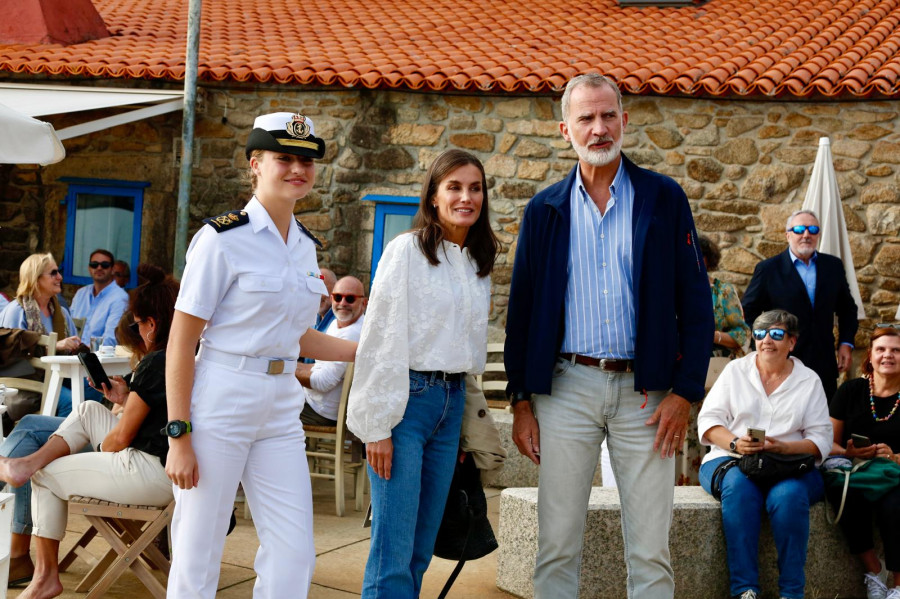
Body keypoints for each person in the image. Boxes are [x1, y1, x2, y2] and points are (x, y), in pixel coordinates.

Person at [503, 73, 713, 598]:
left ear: (625, 119)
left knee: (649, 549)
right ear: (565, 130)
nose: (598, 129)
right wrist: (521, 401)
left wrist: (685, 391)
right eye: (585, 119)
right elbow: (522, 311)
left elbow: (695, 302)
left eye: (607, 115)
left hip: (647, 395)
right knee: (556, 543)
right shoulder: (544, 209)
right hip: (566, 389)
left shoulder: (664, 198)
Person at [164, 112, 357, 599]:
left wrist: (370, 352)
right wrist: (178, 434)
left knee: (294, 549)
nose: (298, 169)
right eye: (284, 158)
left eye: (306, 161)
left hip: (279, 402)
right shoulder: (221, 239)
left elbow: (295, 338)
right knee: (199, 547)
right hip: (222, 396)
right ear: (255, 163)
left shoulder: (304, 247)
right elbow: (181, 342)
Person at [347, 148, 499, 599]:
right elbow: (379, 338)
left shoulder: (477, 261)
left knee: (421, 547)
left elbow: (467, 352)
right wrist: (376, 427)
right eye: (454, 187)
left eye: (475, 188)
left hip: (450, 407)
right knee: (392, 548)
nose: (465, 197)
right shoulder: (406, 251)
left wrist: (464, 428)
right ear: (433, 196)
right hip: (405, 403)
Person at [0, 263, 178, 599]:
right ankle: (25, 464)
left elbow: (120, 440)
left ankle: (44, 578)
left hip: (151, 472)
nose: (137, 332)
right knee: (87, 409)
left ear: (152, 324)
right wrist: (125, 397)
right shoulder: (180, 356)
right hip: (167, 464)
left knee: (45, 475)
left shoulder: (157, 361)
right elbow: (160, 408)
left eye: (138, 325)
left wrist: (105, 447)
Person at [698, 309, 832, 599]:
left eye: (776, 334)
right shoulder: (735, 371)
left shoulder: (809, 381)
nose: (766, 340)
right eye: (759, 334)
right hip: (731, 458)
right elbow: (708, 422)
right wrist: (735, 443)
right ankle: (745, 590)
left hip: (789, 464)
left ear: (792, 342)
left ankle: (792, 593)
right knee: (740, 490)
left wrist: (781, 447)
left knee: (787, 497)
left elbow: (821, 440)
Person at [742, 209, 858, 400]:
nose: (806, 234)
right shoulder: (768, 269)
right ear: (788, 235)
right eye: (799, 229)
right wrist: (765, 343)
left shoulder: (833, 266)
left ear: (818, 234)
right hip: (781, 361)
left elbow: (847, 309)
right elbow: (748, 312)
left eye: (812, 229)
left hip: (823, 361)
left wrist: (846, 343)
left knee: (822, 419)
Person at [827, 326, 900, 599]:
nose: (888, 355)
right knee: (844, 495)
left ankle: (898, 585)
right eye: (881, 349)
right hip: (855, 471)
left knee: (895, 505)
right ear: (871, 355)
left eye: (895, 350)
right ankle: (874, 572)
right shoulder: (850, 390)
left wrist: (894, 457)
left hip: (895, 474)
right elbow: (827, 443)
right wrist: (848, 453)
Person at [677, 236, 751, 485]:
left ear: (708, 260)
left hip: (714, 379)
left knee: (711, 429)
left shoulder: (723, 291)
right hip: (677, 375)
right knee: (682, 434)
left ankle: (714, 481)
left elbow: (742, 335)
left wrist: (711, 335)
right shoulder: (671, 288)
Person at [0, 253, 82, 419]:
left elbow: (76, 348)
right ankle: (51, 441)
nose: (60, 277)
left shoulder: (61, 312)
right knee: (71, 402)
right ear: (35, 278)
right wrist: (54, 346)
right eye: (53, 273)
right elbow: (10, 356)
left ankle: (77, 440)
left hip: (58, 376)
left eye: (58, 272)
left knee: (94, 387)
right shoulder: (17, 311)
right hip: (25, 385)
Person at [296, 275, 366, 427]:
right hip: (313, 401)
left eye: (350, 298)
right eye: (338, 297)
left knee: (266, 408)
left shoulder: (352, 333)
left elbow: (323, 382)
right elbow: (319, 367)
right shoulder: (338, 323)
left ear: (364, 303)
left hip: (320, 411)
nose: (342, 303)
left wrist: (285, 369)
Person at [70, 248, 129, 348]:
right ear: (89, 268)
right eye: (94, 264)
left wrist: (84, 351)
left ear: (112, 269)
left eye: (105, 265)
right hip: (72, 354)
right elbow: (69, 327)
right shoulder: (81, 294)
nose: (99, 268)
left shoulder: (120, 298)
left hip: (99, 359)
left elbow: (111, 340)